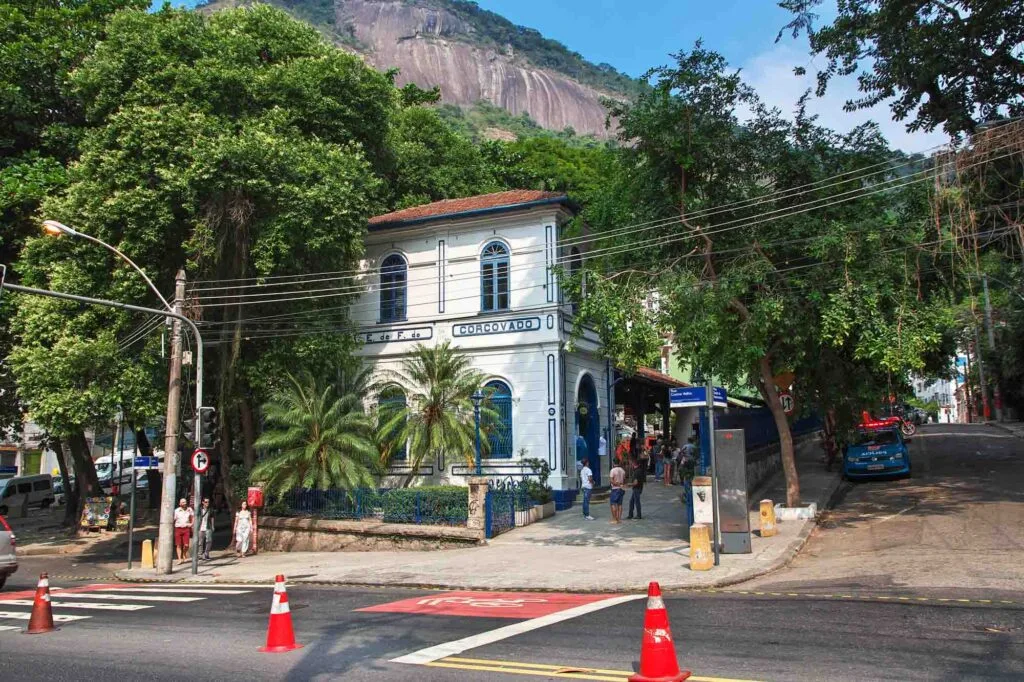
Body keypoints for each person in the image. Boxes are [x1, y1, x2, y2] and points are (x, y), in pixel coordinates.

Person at [173, 498, 193, 564]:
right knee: (178, 545)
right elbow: (173, 519)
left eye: (185, 502)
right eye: (183, 502)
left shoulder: (189, 510)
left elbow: (193, 516)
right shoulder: (176, 511)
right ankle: (179, 559)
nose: (184, 503)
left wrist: (191, 524)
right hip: (178, 528)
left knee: (186, 545)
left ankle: (184, 554)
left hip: (186, 528)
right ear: (180, 504)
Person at [626, 454, 644, 520]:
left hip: (637, 488)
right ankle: (630, 515)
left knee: (636, 502)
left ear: (633, 464)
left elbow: (635, 483)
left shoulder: (636, 472)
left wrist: (629, 485)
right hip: (638, 488)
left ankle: (638, 515)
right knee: (632, 501)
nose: (630, 465)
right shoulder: (639, 470)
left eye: (630, 463)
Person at [608, 460, 626, 524]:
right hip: (621, 488)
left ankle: (614, 519)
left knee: (613, 504)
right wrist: (620, 484)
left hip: (615, 489)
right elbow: (624, 480)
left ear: (613, 463)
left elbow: (611, 480)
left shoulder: (612, 470)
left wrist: (616, 484)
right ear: (619, 463)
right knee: (620, 504)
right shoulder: (622, 470)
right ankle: (619, 519)